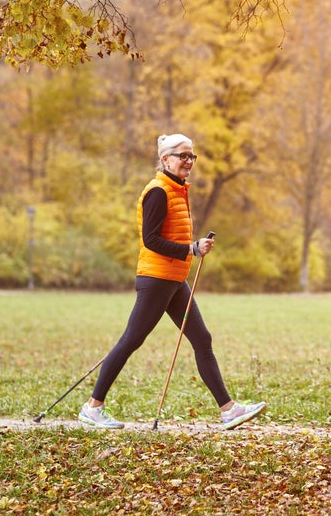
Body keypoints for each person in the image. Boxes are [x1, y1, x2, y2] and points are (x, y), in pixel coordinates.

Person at [79, 133, 266, 430]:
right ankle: (93, 407)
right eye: (182, 156)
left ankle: (229, 410)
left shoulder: (177, 190)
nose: (188, 161)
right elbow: (150, 240)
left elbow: (172, 235)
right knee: (131, 340)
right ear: (165, 159)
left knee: (202, 339)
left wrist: (192, 247)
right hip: (156, 279)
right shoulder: (158, 191)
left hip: (175, 279)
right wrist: (190, 249)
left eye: (192, 156)